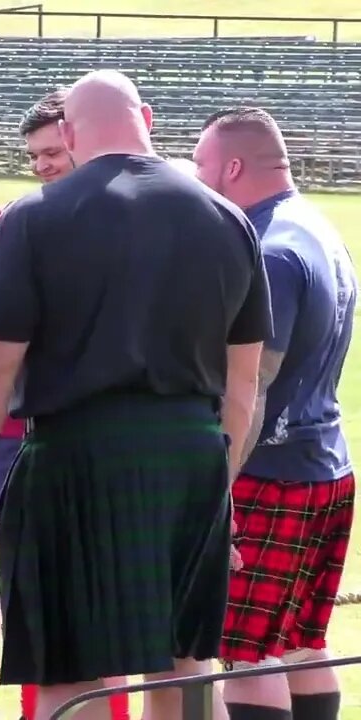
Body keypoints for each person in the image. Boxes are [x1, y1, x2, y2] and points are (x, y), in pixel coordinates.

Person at [0, 70, 272, 720]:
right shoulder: (230, 220)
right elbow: (244, 385)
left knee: (71, 673)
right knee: (187, 665)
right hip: (191, 455)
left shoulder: (33, 219)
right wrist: (216, 484)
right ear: (148, 117)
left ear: (71, 135)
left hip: (74, 458)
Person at [0, 88, 132, 720]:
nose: (46, 166)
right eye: (36, 157)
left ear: (84, 139)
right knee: (41, 598)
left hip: (107, 435)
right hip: (24, 436)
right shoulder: (18, 221)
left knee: (104, 605)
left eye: (55, 151)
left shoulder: (135, 221)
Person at [194, 107, 356, 720]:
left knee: (246, 653)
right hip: (326, 467)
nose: (196, 174)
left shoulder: (270, 250)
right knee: (301, 643)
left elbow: (254, 385)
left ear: (233, 167)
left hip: (267, 471)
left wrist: (220, 488)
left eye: (203, 163)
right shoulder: (320, 229)